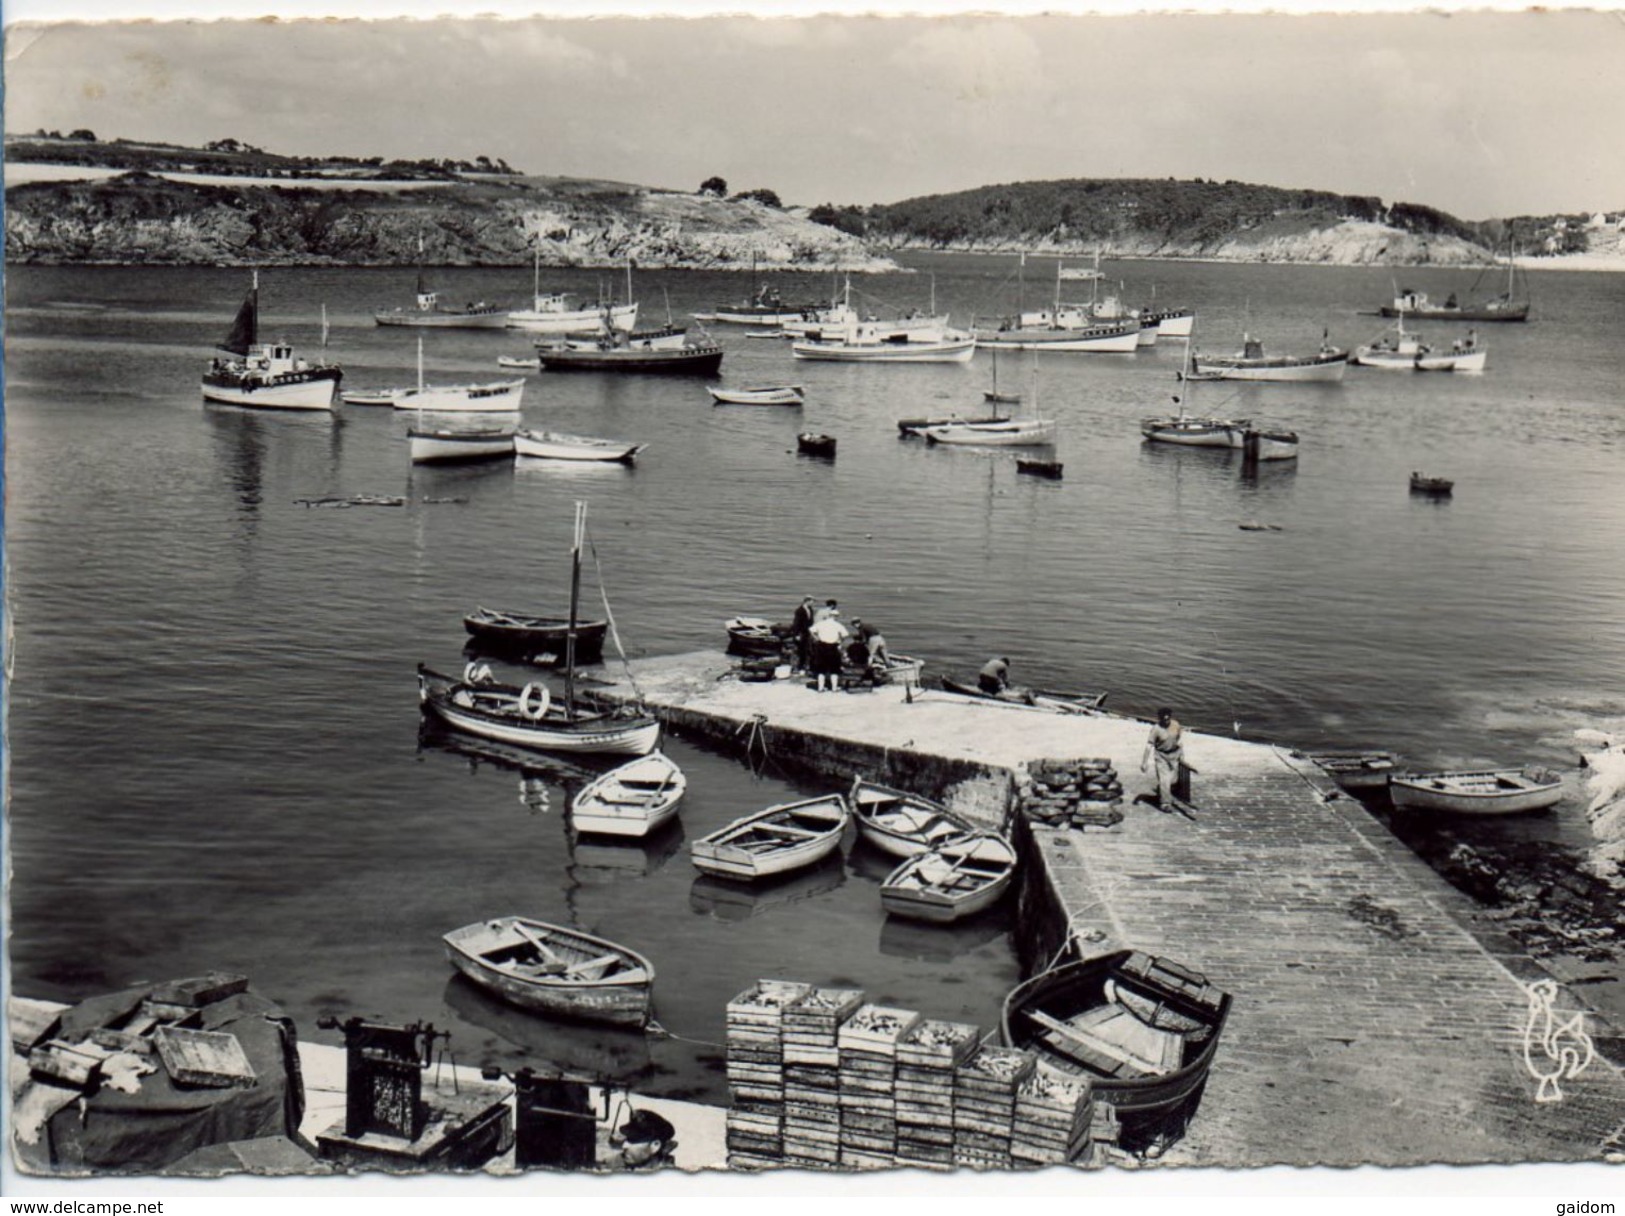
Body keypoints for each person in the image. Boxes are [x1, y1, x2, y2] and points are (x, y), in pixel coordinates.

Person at [1140, 707, 1185, 810]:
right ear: (1160, 718)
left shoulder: (1176, 725)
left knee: (1173, 780)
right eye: (1164, 719)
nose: (1166, 720)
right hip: (1161, 756)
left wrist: (1182, 754)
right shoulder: (1156, 729)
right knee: (1164, 780)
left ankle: (1164, 792)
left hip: (1174, 755)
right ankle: (1165, 803)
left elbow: (1179, 740)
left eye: (1168, 718)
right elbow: (1149, 745)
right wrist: (1144, 762)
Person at [807, 609, 850, 692]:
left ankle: (821, 688)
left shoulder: (821, 623)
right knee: (834, 668)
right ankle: (834, 688)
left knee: (821, 668)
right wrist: (840, 641)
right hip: (833, 647)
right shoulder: (838, 625)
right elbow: (845, 635)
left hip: (821, 646)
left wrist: (816, 638)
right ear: (836, 617)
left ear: (829, 615)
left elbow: (810, 630)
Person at [790, 596, 816, 671]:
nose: (813, 603)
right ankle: (800, 665)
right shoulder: (799, 610)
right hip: (801, 632)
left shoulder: (810, 610)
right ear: (807, 601)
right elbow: (797, 623)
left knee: (807, 649)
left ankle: (805, 664)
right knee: (801, 649)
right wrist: (797, 634)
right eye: (812, 601)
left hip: (807, 632)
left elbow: (810, 621)